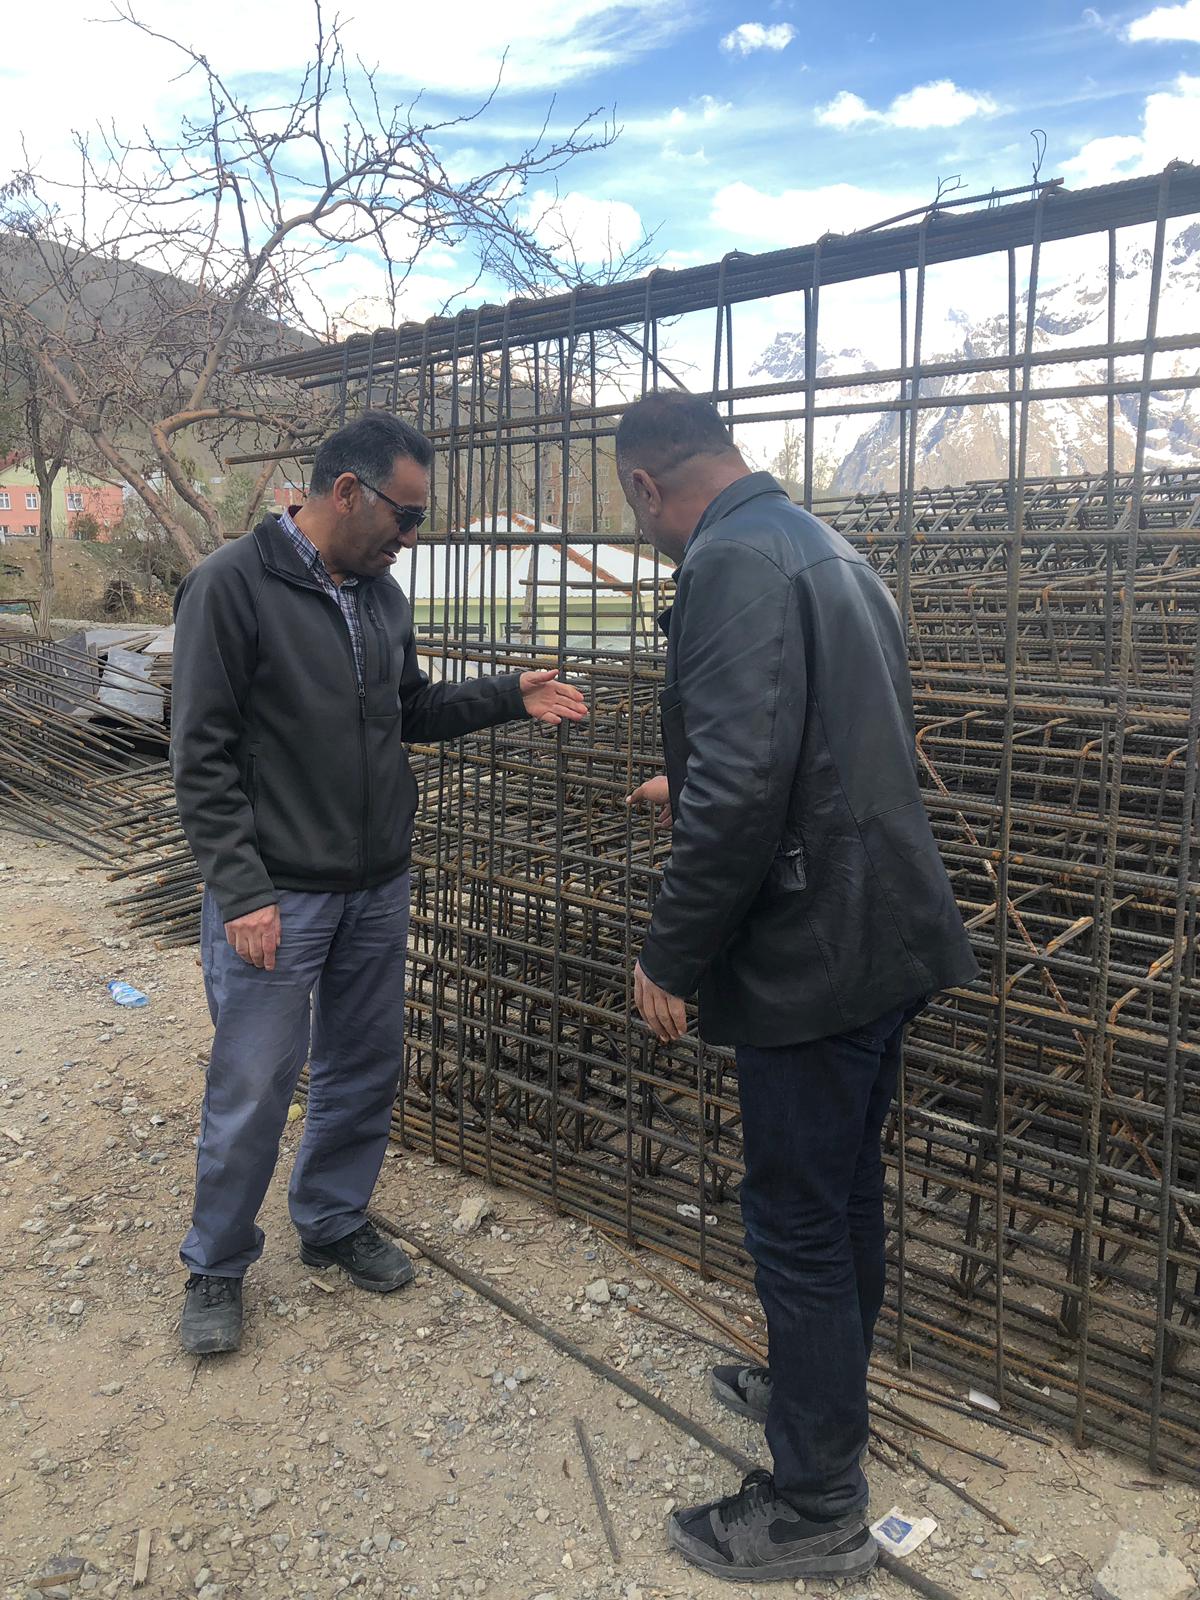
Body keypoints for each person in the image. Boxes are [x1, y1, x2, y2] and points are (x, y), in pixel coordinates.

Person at [619, 392, 977, 1584]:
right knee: (842, 1189)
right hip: (888, 928)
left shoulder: (728, 562)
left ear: (646, 486)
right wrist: (704, 780)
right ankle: (819, 1383)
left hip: (814, 948)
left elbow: (737, 793)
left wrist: (669, 952)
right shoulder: (829, 548)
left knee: (797, 1217)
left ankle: (818, 1496)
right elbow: (838, 735)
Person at [170, 411, 586, 1355]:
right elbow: (200, 757)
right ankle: (217, 1262)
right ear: (346, 492)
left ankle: (332, 1218)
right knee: (254, 1085)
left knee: (363, 1067)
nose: (413, 538)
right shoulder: (234, 586)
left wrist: (503, 695)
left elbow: (410, 710)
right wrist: (241, 891)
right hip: (279, 891)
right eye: (406, 517)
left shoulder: (379, 596)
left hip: (373, 883)